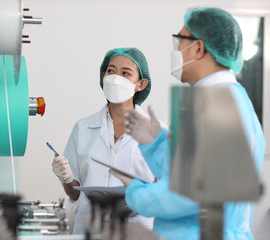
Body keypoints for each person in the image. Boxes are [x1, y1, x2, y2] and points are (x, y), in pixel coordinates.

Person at [111, 7, 266, 240]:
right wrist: (157, 143)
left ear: (199, 48)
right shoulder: (231, 99)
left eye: (180, 42)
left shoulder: (212, 104)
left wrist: (135, 191)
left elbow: (186, 194)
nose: (176, 51)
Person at [52, 48, 166, 234]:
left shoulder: (157, 132)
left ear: (140, 84)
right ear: (103, 76)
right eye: (110, 71)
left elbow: (167, 189)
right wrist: (66, 178)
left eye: (125, 73)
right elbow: (75, 193)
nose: (115, 78)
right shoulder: (82, 128)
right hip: (91, 228)